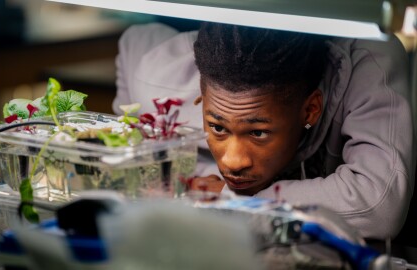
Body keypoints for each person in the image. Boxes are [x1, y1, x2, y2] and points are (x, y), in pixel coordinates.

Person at [112, 22, 414, 239]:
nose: (233, 161)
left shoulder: (366, 63)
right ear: (201, 94)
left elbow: (379, 205)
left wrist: (232, 201)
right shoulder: (158, 76)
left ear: (310, 110)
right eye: (217, 127)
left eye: (258, 133)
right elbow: (134, 39)